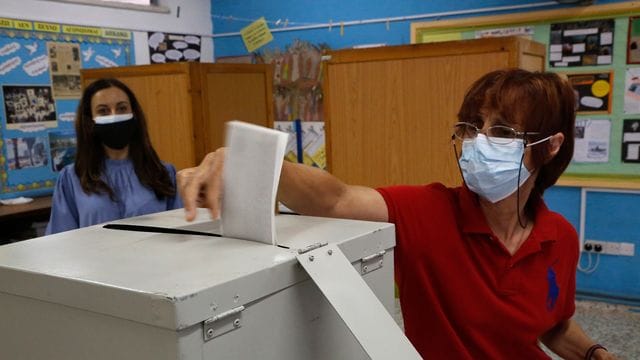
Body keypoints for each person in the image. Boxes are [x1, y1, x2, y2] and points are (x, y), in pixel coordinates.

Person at [177, 69, 615, 360]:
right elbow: (335, 199)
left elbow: (553, 328)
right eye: (472, 126)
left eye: (502, 131)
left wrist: (595, 354)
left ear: (550, 147)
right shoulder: (427, 211)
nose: (479, 142)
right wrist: (249, 161)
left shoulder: (559, 236)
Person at [46, 78, 182, 234]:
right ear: (90, 120)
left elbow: (179, 235)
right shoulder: (72, 178)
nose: (114, 115)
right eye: (103, 111)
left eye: (122, 108)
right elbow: (60, 241)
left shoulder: (163, 173)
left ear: (134, 114)